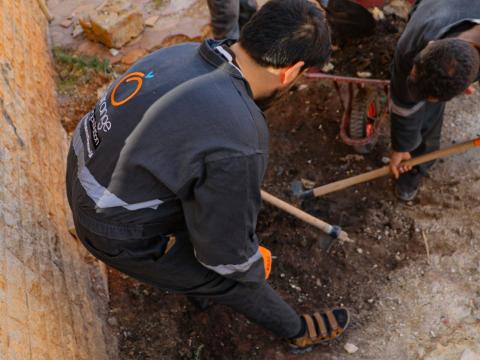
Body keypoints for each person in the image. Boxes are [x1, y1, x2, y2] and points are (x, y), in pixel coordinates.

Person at [66, 0, 349, 354]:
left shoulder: (181, 54)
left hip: (82, 171)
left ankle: (191, 278)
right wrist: (247, 266)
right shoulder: (240, 136)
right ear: (291, 72)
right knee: (232, 276)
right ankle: (296, 330)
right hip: (110, 226)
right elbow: (224, 254)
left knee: (208, 212)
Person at [389, 0, 480, 201]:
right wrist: (402, 146)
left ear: (468, 89)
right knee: (414, 101)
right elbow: (403, 103)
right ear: (430, 45)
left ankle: (419, 163)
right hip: (438, 7)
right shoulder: (412, 45)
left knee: (428, 110)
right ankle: (414, 155)